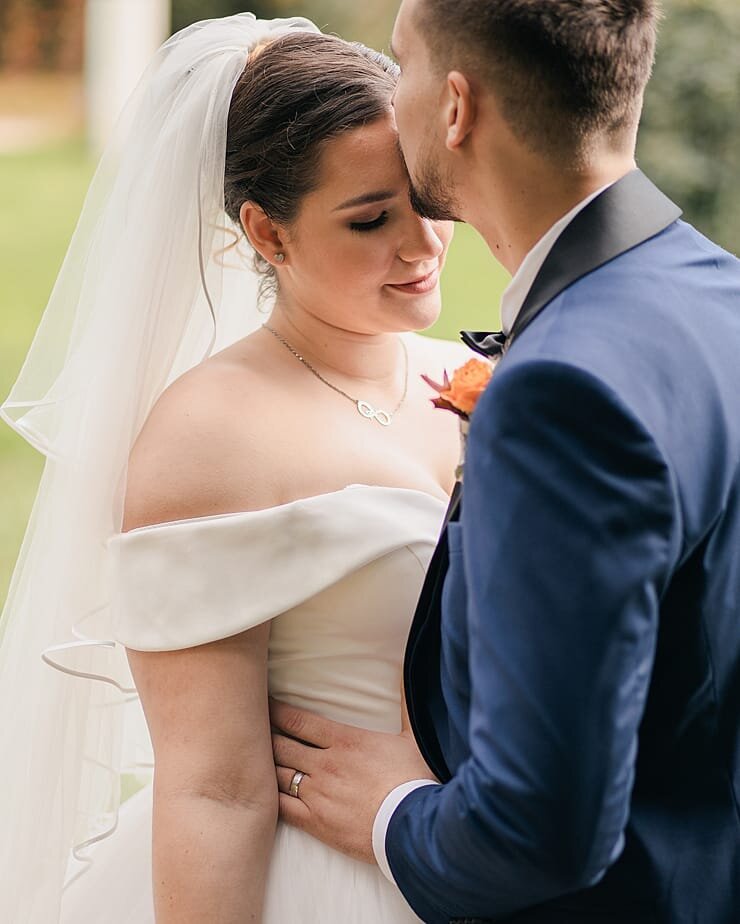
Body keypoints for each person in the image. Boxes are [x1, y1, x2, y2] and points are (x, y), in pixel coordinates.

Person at [270, 1, 740, 922]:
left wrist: (391, 814)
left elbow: (544, 830)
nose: (386, 91)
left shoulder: (563, 389)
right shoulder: (721, 295)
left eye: (399, 63)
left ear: (455, 107)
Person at [0, 13, 470, 923]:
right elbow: (212, 789)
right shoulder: (209, 438)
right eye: (371, 219)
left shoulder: (468, 375)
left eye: (428, 199)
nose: (421, 246)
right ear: (267, 232)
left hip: (484, 855)